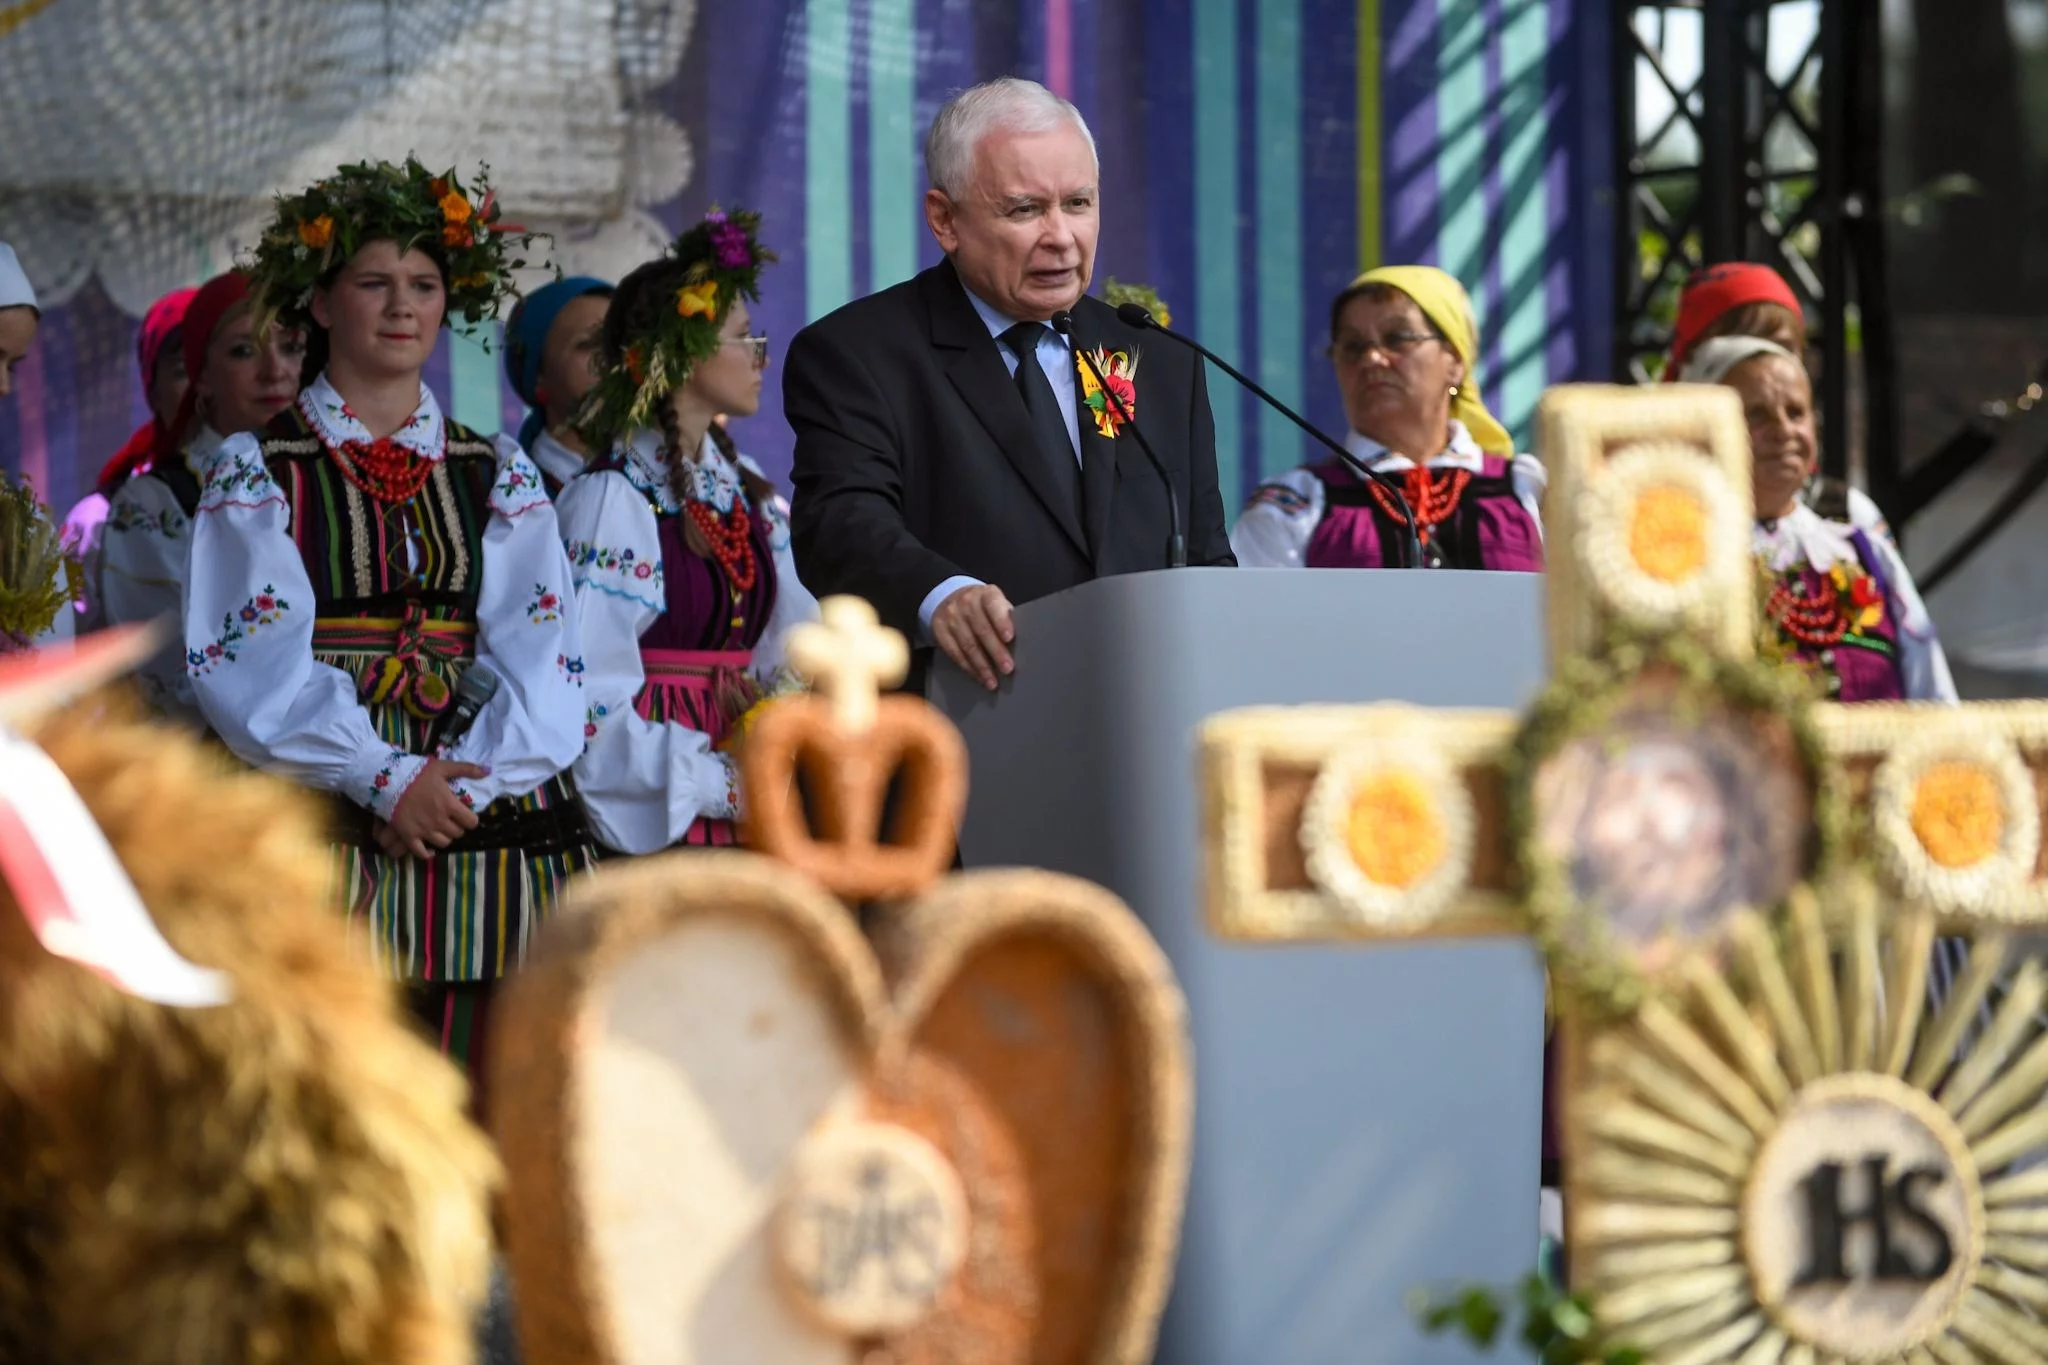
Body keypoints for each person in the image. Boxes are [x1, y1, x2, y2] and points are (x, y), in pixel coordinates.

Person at [183, 158, 592, 1079]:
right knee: (320, 1068)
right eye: (374, 283)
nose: (402, 306)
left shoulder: (495, 470)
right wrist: (382, 775)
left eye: (424, 285)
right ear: (321, 304)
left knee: (482, 1073)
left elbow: (544, 653)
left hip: (478, 796)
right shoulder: (261, 468)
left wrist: (459, 789)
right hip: (320, 787)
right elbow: (246, 657)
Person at [785, 77, 1233, 694]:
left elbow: (1207, 560)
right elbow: (839, 523)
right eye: (1025, 209)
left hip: (1141, 728)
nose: (1061, 236)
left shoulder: (1151, 359)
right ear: (945, 220)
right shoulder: (861, 354)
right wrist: (941, 594)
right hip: (960, 729)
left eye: (1078, 203)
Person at [555, 209, 818, 854]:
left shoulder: (745, 485)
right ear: (683, 352)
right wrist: (715, 782)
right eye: (743, 337)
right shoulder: (613, 497)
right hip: (659, 800)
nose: (760, 356)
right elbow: (586, 696)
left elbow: (792, 642)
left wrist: (773, 735)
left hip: (746, 774)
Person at [1683, 336, 1954, 703]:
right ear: (1704, 433)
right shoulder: (1684, 562)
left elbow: (1932, 695)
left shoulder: (1862, 551)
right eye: (1756, 415)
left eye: (1796, 412)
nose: (1783, 430)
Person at [1232, 266, 1545, 571]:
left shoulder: (1530, 491)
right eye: (1353, 346)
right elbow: (1253, 619)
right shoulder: (1295, 504)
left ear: (1455, 361)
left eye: (1397, 338)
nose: (1372, 358)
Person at [101, 271, 305, 726]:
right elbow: (177, 668)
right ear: (202, 375)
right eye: (243, 351)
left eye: (291, 347)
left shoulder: (322, 477)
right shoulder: (151, 505)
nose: (276, 371)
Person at [1666, 261, 1887, 538]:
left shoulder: (1846, 518)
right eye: (1738, 347)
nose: (1764, 361)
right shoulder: (1653, 518)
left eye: (1782, 348)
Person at [59, 285, 197, 634]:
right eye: (183, 370)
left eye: (221, 362)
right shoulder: (95, 522)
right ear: (152, 387)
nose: (204, 386)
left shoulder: (286, 486)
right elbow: (67, 650)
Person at [503, 274, 613, 494]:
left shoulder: (662, 481)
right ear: (538, 378)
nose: (612, 359)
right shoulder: (515, 496)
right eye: (588, 344)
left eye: (621, 341)